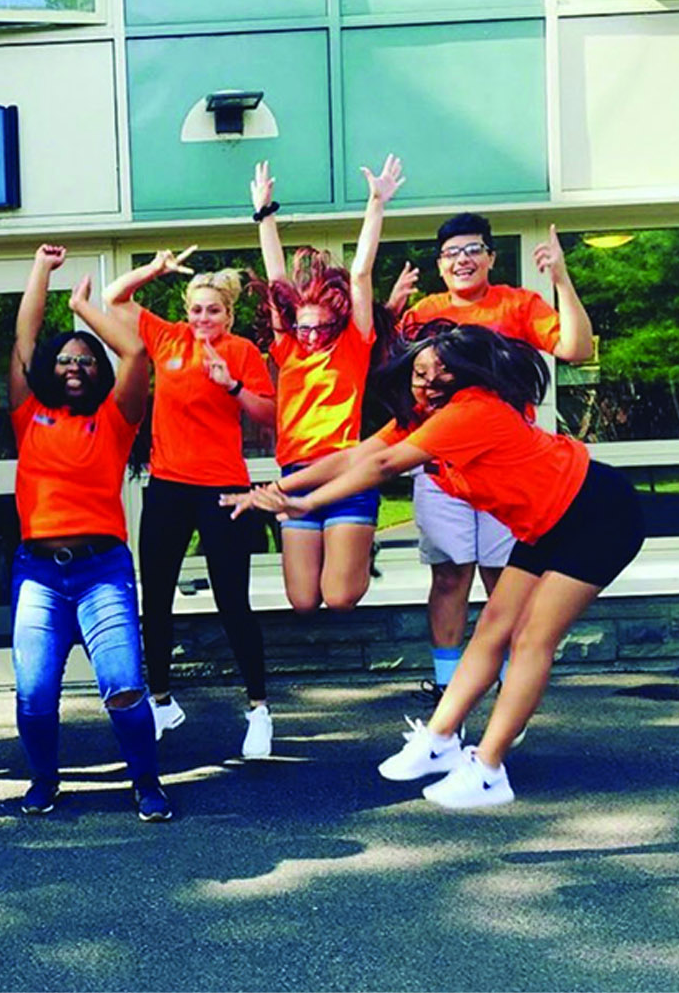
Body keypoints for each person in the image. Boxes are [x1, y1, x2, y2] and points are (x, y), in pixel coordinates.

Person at [234, 324, 644, 807]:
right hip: (548, 520)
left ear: (464, 375)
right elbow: (355, 455)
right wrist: (284, 491)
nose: (425, 382)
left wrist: (306, 504)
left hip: (598, 513)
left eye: (439, 373)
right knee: (492, 625)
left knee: (532, 637)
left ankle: (489, 770)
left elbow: (382, 468)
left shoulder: (473, 411)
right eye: (420, 371)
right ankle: (441, 739)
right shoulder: (424, 418)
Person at [391, 215, 594, 706]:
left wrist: (563, 280)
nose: (463, 259)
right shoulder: (423, 314)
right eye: (452, 253)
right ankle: (447, 682)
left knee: (502, 579)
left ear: (490, 257)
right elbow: (390, 376)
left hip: (508, 470)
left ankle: (501, 678)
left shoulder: (517, 304)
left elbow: (577, 349)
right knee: (450, 573)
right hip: (444, 469)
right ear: (440, 265)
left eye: (473, 250)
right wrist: (390, 310)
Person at [9, 245, 171, 822]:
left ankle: (146, 781)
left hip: (102, 568)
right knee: (33, 692)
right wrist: (41, 272)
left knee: (124, 685)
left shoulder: (116, 418)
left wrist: (84, 309)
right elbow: (24, 343)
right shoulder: (29, 412)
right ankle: (44, 781)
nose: (74, 367)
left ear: (97, 372)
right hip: (38, 572)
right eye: (65, 361)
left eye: (84, 360)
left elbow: (135, 351)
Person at [102, 248, 276, 757]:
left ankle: (259, 709)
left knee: (232, 602)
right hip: (169, 485)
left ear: (229, 314)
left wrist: (233, 385)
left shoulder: (241, 351)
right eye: (197, 309)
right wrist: (153, 269)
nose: (203, 318)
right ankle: (160, 701)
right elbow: (115, 296)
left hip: (223, 488)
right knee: (155, 597)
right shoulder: (166, 336)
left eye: (214, 310)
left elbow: (268, 415)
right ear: (186, 309)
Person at [249, 156, 402, 615]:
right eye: (304, 327)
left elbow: (359, 274)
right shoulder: (288, 348)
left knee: (339, 598)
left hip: (346, 473)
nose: (311, 336)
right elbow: (277, 280)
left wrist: (376, 204)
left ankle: (357, 551)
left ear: (336, 323)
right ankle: (348, 552)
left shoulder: (353, 345)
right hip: (296, 475)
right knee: (302, 601)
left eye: (320, 328)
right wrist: (264, 215)